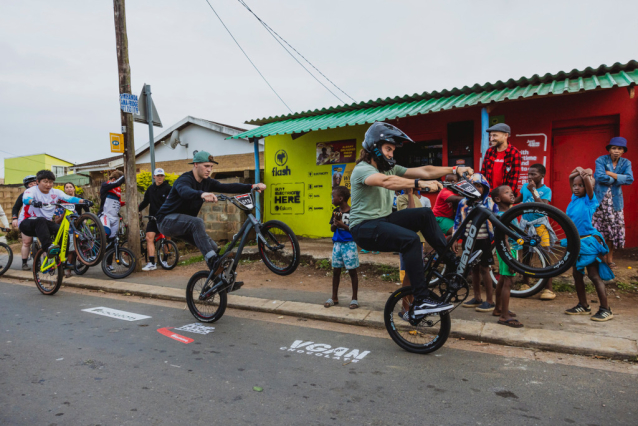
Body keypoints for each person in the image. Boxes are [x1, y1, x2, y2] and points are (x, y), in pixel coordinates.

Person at [348, 122, 473, 317]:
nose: (391, 153)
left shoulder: (390, 168)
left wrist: (454, 170)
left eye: (393, 150)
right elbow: (385, 182)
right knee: (411, 240)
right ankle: (421, 299)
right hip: (364, 227)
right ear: (374, 147)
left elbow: (425, 170)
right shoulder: (362, 169)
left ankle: (452, 263)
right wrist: (419, 184)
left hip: (383, 219)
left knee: (424, 214)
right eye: (388, 149)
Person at [156, 151, 265, 270]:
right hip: (165, 221)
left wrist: (251, 186)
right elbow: (185, 191)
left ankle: (218, 277)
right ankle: (212, 262)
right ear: (196, 164)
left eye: (211, 167)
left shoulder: (207, 182)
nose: (209, 170)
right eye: (206, 166)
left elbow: (226, 187)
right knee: (196, 222)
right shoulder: (184, 180)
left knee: (212, 247)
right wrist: (201, 194)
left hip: (184, 224)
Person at [564, 167, 614, 321]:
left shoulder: (590, 200)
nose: (577, 188)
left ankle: (606, 309)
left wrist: (587, 174)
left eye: (581, 185)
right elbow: (571, 177)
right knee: (577, 275)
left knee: (593, 275)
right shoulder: (574, 200)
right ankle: (583, 305)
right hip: (576, 243)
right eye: (575, 186)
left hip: (588, 243)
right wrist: (579, 171)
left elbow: (588, 183)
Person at [18, 170, 91, 258]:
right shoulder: (31, 190)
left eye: (50, 182)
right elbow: (26, 199)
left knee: (63, 231)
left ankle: (63, 258)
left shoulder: (56, 192)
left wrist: (84, 201)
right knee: (40, 219)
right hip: (27, 223)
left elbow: (69, 198)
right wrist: (33, 202)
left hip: (44, 225)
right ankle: (48, 247)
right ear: (37, 182)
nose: (48, 185)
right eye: (45, 182)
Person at [455, 173, 499, 312]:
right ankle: (477, 298)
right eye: (472, 186)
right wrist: (456, 238)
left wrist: (497, 240)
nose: (475, 188)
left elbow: (497, 223)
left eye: (479, 186)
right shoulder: (463, 203)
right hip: (468, 240)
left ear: (485, 188)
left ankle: (490, 301)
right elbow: (458, 222)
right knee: (473, 269)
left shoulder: (490, 203)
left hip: (484, 240)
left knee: (485, 269)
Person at [514, 164, 555, 300]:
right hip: (525, 224)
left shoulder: (546, 190)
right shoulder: (525, 187)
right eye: (529, 174)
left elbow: (542, 206)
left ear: (542, 176)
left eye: (534, 174)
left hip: (540, 225)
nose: (530, 177)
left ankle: (548, 288)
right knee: (526, 254)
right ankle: (526, 283)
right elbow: (517, 200)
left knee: (545, 254)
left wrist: (533, 192)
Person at [592, 137, 634, 269]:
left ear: (623, 151)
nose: (616, 151)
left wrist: (610, 174)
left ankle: (609, 259)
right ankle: (599, 257)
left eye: (619, 149)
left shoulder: (626, 163)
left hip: (615, 203)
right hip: (600, 202)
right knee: (598, 230)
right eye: (614, 148)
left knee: (612, 231)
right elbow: (599, 176)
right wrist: (618, 178)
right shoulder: (601, 160)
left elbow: (630, 179)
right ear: (609, 149)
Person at [491, 185, 523, 328]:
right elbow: (504, 239)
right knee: (508, 281)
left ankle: (498, 308)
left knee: (503, 279)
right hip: (507, 250)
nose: (511, 194)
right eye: (506, 192)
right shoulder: (503, 216)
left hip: (509, 250)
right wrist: (511, 259)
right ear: (497, 199)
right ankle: (504, 315)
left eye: (511, 192)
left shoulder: (507, 213)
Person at [324, 186, 359, 309]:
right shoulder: (335, 211)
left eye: (333, 196)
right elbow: (332, 229)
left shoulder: (352, 212)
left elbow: (355, 230)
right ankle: (334, 297)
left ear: (341, 198)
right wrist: (335, 223)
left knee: (352, 271)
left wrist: (342, 225)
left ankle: (354, 299)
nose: (332, 199)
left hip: (349, 244)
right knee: (336, 271)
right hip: (337, 244)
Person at [138, 168, 172, 271]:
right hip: (153, 218)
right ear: (154, 177)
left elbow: (173, 201)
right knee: (149, 238)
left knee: (167, 238)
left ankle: (165, 260)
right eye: (158, 175)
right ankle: (152, 263)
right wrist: (136, 210)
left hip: (165, 217)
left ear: (164, 177)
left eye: (162, 175)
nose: (160, 177)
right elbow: (145, 202)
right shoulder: (150, 189)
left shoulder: (168, 188)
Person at [480, 123, 522, 196]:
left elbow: (514, 179)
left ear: (506, 135)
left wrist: (506, 196)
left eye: (495, 135)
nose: (491, 139)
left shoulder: (514, 153)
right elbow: (483, 174)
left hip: (504, 198)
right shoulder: (489, 152)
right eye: (491, 136)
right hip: (489, 195)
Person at [11, 175, 37, 270]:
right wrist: (15, 218)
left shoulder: (43, 194)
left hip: (40, 220)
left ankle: (47, 263)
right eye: (31, 184)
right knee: (26, 242)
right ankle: (24, 263)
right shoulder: (24, 195)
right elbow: (16, 207)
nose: (33, 185)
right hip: (26, 220)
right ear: (27, 186)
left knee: (45, 242)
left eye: (35, 183)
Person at [98, 170, 126, 239]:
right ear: (113, 179)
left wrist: (126, 203)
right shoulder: (105, 185)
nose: (120, 185)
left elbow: (118, 202)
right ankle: (95, 248)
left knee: (114, 239)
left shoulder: (118, 189)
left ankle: (111, 250)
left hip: (115, 217)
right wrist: (125, 176)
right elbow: (117, 183)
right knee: (106, 233)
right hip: (105, 215)